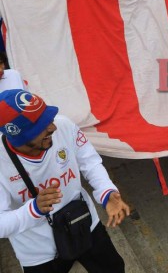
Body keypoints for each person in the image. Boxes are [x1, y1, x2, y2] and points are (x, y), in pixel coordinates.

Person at [0, 89, 130, 272]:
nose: (52, 127)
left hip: (84, 224)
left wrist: (107, 192)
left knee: (114, 268)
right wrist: (34, 209)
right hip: (40, 252)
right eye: (42, 126)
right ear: (19, 135)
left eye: (49, 119)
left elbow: (89, 162)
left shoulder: (64, 126)